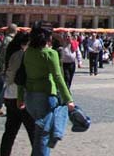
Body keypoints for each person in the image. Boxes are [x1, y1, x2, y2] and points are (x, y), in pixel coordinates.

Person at [18, 22, 75, 155]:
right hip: (46, 97)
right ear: (48, 37)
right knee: (43, 136)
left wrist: (20, 97)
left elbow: (22, 75)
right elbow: (58, 77)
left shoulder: (28, 52)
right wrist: (68, 99)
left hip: (30, 98)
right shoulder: (50, 53)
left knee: (39, 135)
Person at [0, 31, 34, 156]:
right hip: (20, 97)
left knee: (9, 132)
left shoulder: (11, 53)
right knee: (33, 132)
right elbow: (18, 76)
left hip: (9, 95)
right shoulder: (21, 54)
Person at [0, 24, 18, 116]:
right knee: (7, 86)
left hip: (4, 67)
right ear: (15, 30)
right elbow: (6, 55)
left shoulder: (6, 39)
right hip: (7, 67)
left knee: (5, 86)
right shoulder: (10, 40)